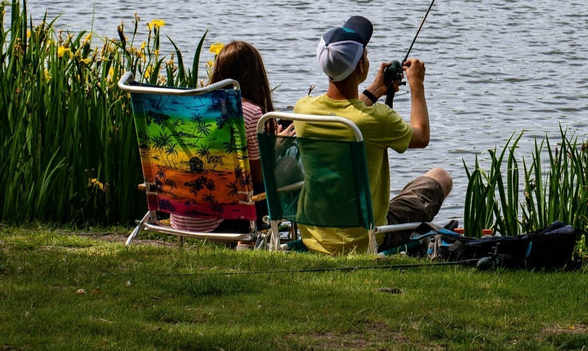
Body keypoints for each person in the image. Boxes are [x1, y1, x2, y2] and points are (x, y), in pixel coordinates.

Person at [293, 15, 453, 254]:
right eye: (365, 53)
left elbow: (348, 113)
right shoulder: (377, 119)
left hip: (314, 235)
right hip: (364, 237)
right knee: (440, 177)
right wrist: (417, 84)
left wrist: (376, 89)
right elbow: (421, 137)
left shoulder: (303, 110)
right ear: (360, 67)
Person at [169, 40, 277, 234]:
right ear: (256, 75)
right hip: (222, 221)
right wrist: (276, 146)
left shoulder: (192, 108)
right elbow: (259, 175)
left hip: (181, 215)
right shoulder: (251, 113)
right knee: (275, 175)